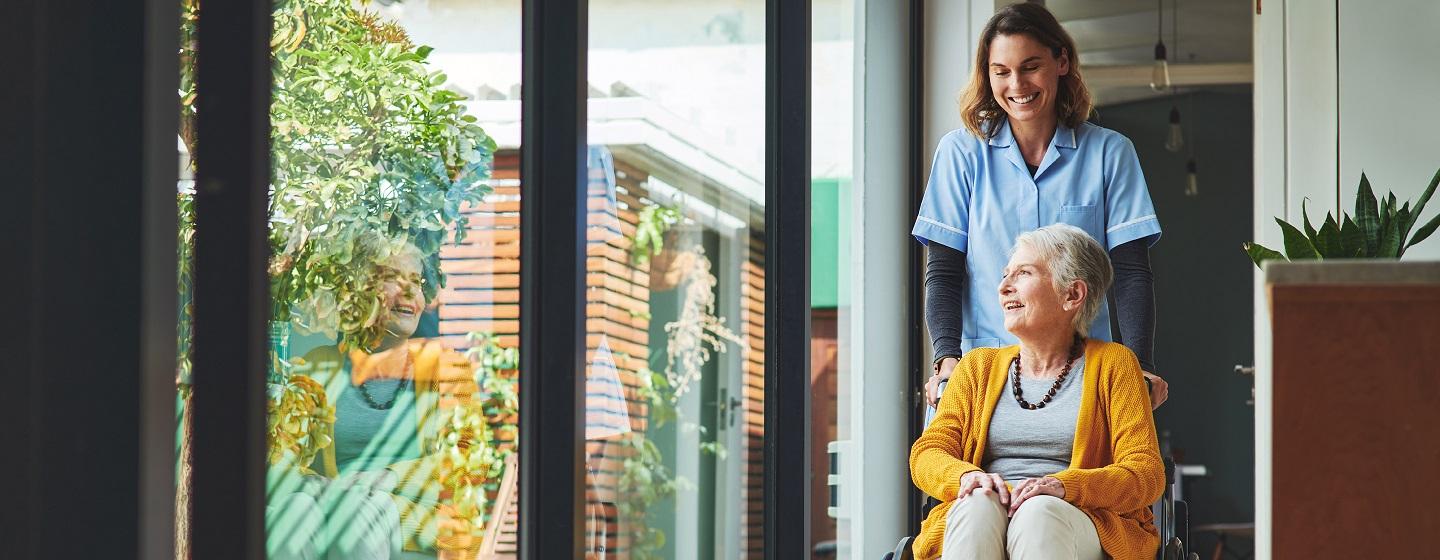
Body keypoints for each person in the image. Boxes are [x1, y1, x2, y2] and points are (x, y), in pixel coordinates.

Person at [914, 2, 1168, 411]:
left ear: (1061, 61)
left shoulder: (1110, 154)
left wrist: (1139, 366)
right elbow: (943, 272)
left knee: (1082, 478)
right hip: (983, 376)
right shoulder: (960, 153)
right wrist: (947, 360)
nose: (1017, 84)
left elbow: (1132, 273)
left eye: (1030, 66)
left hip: (1084, 378)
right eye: (1001, 71)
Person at [909, 224, 1164, 560]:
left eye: (1023, 273)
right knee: (976, 508)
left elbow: (1145, 472)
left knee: (1038, 513)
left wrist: (1066, 486)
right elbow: (927, 453)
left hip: (1076, 517)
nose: (1003, 287)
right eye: (1005, 275)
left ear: (1072, 295)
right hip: (987, 509)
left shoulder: (1115, 364)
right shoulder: (976, 367)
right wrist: (967, 476)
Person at [267, 241, 478, 560]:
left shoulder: (448, 369)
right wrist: (325, 490)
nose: (410, 293)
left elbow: (469, 460)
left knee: (354, 515)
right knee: (291, 512)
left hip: (415, 520)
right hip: (332, 506)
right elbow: (281, 457)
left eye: (417, 281)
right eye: (394, 277)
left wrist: (383, 479)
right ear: (358, 291)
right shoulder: (317, 368)